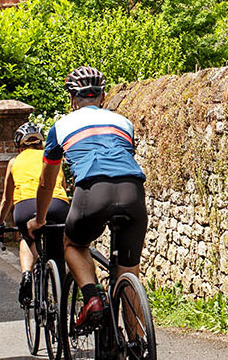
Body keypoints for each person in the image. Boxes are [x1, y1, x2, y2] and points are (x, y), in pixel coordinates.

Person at [26, 65, 147, 333]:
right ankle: (137, 349)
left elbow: (46, 182)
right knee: (128, 271)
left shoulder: (60, 127)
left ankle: (92, 298)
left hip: (93, 191)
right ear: (103, 97)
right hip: (132, 190)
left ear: (72, 99)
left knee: (73, 244)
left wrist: (40, 219)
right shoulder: (123, 122)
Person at [0, 122, 69, 305]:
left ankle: (27, 274)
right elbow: (64, 187)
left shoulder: (14, 162)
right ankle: (61, 301)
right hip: (57, 204)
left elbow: (6, 199)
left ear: (19, 146)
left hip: (26, 207)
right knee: (57, 250)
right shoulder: (52, 159)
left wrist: (0, 224)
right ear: (41, 143)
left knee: (27, 238)